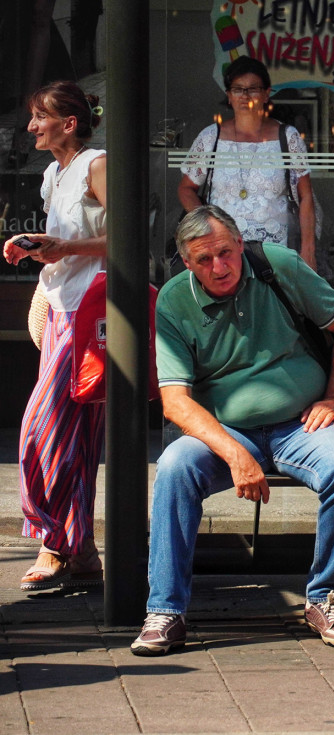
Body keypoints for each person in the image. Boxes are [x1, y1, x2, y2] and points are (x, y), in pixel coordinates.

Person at [131, 205, 334, 656]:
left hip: (302, 422)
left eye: (225, 252)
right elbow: (175, 401)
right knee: (174, 468)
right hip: (227, 430)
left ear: (240, 244)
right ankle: (165, 610)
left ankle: (326, 596)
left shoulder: (277, 265)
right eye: (204, 259)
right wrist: (235, 454)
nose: (219, 266)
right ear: (187, 263)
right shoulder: (174, 300)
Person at [2, 81, 106, 592]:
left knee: (39, 430)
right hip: (61, 309)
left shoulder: (97, 164)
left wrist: (65, 247)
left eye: (39, 117)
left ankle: (52, 540)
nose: (31, 127)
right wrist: (37, 246)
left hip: (92, 311)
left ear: (69, 123)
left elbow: (127, 236)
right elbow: (64, 241)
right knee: (76, 436)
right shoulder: (53, 173)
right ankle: (79, 548)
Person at [178, 56, 317, 268]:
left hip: (275, 252)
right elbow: (186, 189)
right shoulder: (211, 137)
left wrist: (308, 249)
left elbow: (305, 196)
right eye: (238, 89)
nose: (245, 96)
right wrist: (206, 225)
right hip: (223, 252)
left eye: (253, 89)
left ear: (266, 94)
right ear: (229, 96)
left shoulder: (287, 137)